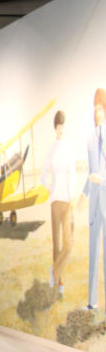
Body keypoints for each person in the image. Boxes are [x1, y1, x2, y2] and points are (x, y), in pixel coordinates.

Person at [41, 110, 76, 297]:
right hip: (55, 201)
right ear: (55, 127)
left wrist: (73, 194)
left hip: (67, 201)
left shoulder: (68, 148)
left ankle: (54, 270)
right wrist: (50, 187)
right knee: (56, 244)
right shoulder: (51, 149)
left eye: (63, 126)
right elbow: (42, 175)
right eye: (58, 126)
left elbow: (74, 173)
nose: (60, 129)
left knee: (68, 243)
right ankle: (58, 284)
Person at [83, 89, 106, 312]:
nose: (97, 112)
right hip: (94, 206)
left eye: (100, 108)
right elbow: (90, 171)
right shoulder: (90, 140)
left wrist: (102, 180)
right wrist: (84, 193)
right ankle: (92, 301)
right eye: (95, 109)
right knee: (93, 255)